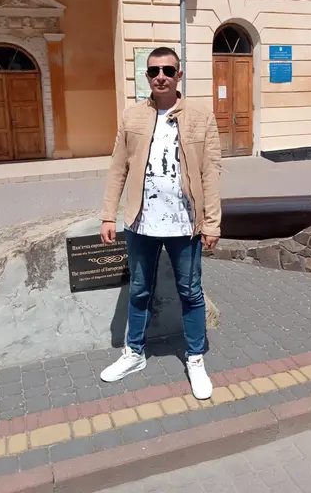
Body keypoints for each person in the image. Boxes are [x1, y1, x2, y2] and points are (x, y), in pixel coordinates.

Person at [99, 46, 221, 399]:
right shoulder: (132, 116)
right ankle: (134, 353)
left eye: (168, 70)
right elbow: (117, 168)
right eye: (154, 71)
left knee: (190, 292)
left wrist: (212, 223)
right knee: (139, 289)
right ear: (147, 76)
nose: (161, 77)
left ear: (179, 75)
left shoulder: (201, 116)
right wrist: (108, 214)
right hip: (141, 223)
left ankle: (195, 358)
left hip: (185, 224)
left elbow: (211, 171)